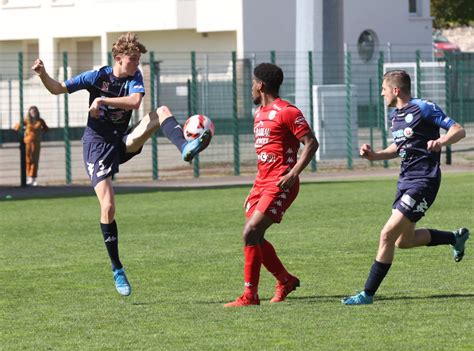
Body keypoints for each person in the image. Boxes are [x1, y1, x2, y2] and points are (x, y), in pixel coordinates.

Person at [32, 32, 212, 297]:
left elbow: (136, 102)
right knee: (108, 206)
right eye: (133, 59)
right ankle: (117, 268)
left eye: (139, 59)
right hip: (96, 147)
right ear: (118, 58)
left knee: (160, 111)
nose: (137, 65)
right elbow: (58, 88)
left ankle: (185, 147)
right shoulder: (96, 77)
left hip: (122, 141)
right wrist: (42, 74)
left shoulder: (134, 78)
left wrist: (102, 101)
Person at [342, 69, 469, 305]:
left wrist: (441, 141)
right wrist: (374, 155)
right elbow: (398, 148)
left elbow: (458, 130)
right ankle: (454, 238)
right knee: (403, 241)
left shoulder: (424, 107)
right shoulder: (396, 116)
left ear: (395, 90)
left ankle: (367, 294)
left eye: (383, 89)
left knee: (387, 234)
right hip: (405, 181)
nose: (382, 94)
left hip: (424, 180)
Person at [224, 63, 319, 307]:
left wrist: (293, 173)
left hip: (281, 182)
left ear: (260, 85)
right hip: (262, 182)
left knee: (250, 233)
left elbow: (311, 143)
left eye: (252, 84)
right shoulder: (259, 114)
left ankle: (250, 296)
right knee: (255, 236)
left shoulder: (288, 111)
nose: (251, 89)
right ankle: (285, 280)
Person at [14, 105, 49, 186]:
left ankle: (33, 178)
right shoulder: (26, 120)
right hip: (28, 143)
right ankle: (29, 177)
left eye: (35, 111)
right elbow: (16, 127)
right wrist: (22, 135)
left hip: (36, 143)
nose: (33, 113)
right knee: (28, 160)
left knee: (35, 160)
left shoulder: (40, 121)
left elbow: (46, 129)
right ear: (29, 112)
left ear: (37, 112)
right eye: (32, 111)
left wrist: (41, 134)